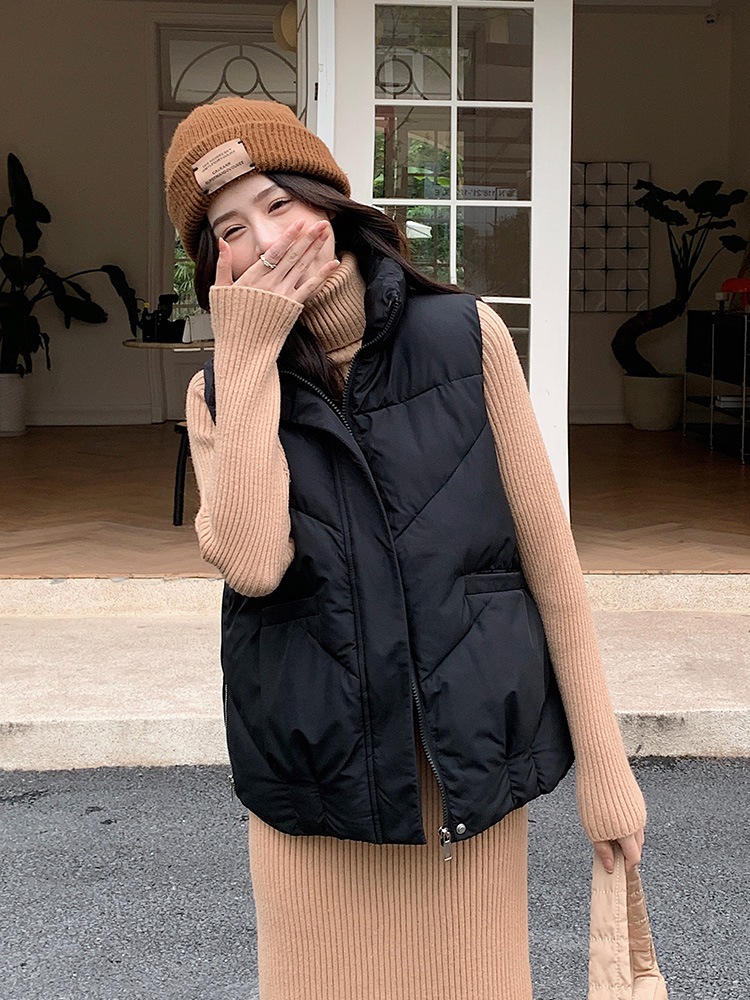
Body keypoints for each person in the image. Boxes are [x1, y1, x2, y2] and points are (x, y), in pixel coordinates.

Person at [164, 97, 647, 1000]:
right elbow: (255, 563)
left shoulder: (465, 336)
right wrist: (249, 356)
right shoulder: (220, 392)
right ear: (213, 264)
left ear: (328, 201)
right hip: (315, 792)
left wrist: (607, 773)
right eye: (229, 230)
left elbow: (551, 568)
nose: (263, 241)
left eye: (277, 203)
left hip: (457, 778)